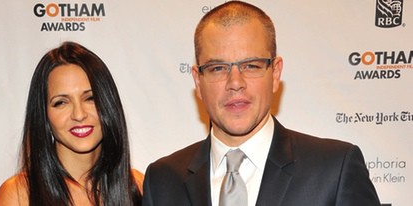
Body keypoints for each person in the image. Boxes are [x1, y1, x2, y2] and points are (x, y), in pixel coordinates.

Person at [142, 1, 380, 206]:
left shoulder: (334, 169)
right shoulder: (162, 179)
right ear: (198, 79)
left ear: (275, 73)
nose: (235, 82)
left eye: (251, 66)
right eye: (217, 68)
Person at [0, 41, 142, 206]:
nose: (79, 115)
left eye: (90, 98)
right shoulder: (19, 195)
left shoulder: (137, 186)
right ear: (44, 115)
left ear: (108, 103)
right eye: (61, 103)